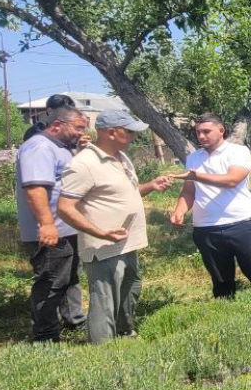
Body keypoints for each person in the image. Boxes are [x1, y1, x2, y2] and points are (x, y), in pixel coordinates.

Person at [56, 110, 172, 344]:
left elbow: (125, 193)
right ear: (111, 132)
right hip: (104, 246)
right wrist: (100, 232)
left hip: (128, 242)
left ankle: (124, 334)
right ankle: (103, 353)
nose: (132, 137)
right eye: (128, 132)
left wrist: (151, 185)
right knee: (105, 300)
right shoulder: (84, 164)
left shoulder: (121, 157)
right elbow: (65, 208)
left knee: (130, 290)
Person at [170, 113, 251, 298]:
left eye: (206, 131)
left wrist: (196, 176)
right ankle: (226, 319)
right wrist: (179, 210)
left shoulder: (238, 151)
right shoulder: (194, 158)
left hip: (240, 225)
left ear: (221, 130)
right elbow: (189, 191)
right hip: (205, 229)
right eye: (198, 132)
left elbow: (232, 180)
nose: (201, 136)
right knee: (221, 284)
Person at [15, 105, 88, 342]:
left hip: (67, 227)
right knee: (51, 282)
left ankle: (74, 321)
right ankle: (45, 335)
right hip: (49, 230)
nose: (81, 132)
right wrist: (47, 224)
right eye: (78, 128)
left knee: (70, 278)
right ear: (57, 125)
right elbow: (35, 187)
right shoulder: (39, 147)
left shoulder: (62, 148)